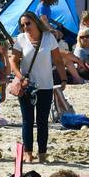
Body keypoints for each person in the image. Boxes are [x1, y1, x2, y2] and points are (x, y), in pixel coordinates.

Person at [9, 12, 59, 163]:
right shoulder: (20, 39)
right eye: (23, 25)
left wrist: (63, 79)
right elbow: (13, 61)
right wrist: (20, 76)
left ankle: (42, 153)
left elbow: (57, 59)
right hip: (26, 85)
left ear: (36, 22)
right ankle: (28, 153)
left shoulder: (49, 38)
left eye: (28, 23)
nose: (25, 27)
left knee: (43, 121)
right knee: (27, 120)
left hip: (45, 85)